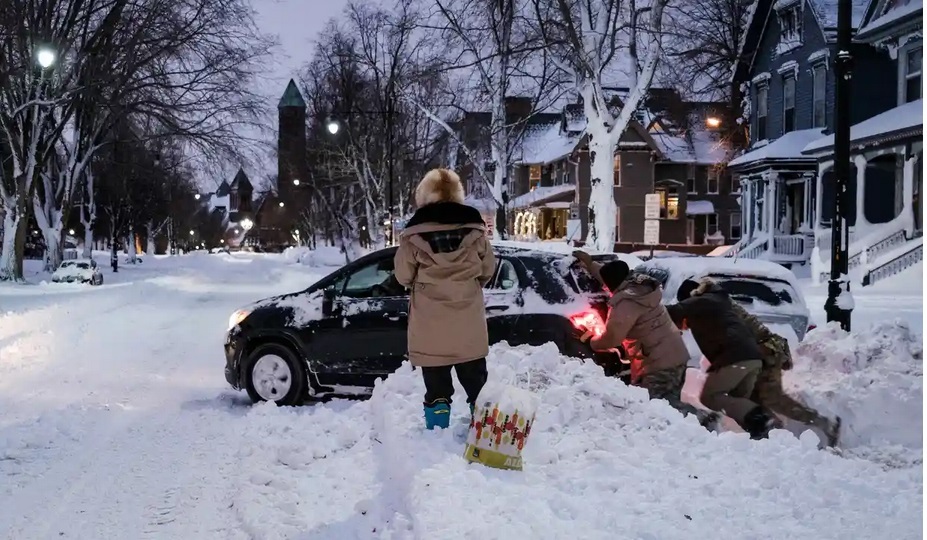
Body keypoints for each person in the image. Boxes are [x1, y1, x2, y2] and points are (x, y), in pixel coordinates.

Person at [394, 168, 496, 430]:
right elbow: (487, 270)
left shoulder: (413, 234)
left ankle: (437, 437)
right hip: (468, 323)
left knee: (437, 388)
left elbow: (403, 276)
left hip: (430, 325)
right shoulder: (475, 230)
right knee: (477, 386)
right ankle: (486, 435)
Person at [573, 252, 717, 430]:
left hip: (658, 363)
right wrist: (590, 264)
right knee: (667, 401)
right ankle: (688, 432)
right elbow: (609, 276)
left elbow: (613, 337)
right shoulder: (637, 286)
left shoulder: (627, 302)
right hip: (674, 354)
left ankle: (702, 421)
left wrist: (592, 342)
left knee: (657, 406)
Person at [712, 286, 842, 446]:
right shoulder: (721, 303)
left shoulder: (717, 307)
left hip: (765, 352)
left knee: (772, 398)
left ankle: (821, 423)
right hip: (762, 352)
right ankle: (767, 435)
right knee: (755, 398)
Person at [667, 278, 780, 439]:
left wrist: (650, 309)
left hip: (735, 357)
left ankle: (763, 418)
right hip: (752, 357)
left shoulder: (701, 301)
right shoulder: (717, 301)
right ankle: (765, 438)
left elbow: (672, 311)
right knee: (740, 403)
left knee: (710, 396)